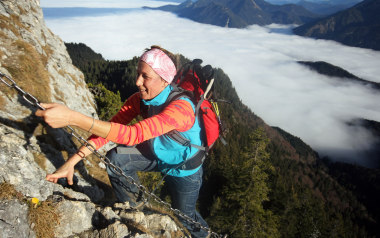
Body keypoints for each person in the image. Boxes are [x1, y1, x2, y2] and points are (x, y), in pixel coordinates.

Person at [36, 46, 210, 238]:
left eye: (146, 76)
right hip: (157, 153)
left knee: (185, 215)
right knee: (116, 159)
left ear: (165, 79)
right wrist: (71, 162)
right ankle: (136, 210)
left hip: (184, 167)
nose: (137, 82)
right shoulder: (140, 100)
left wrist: (72, 118)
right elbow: (108, 131)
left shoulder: (181, 108)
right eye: (138, 74)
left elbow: (133, 135)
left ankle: (206, 235)